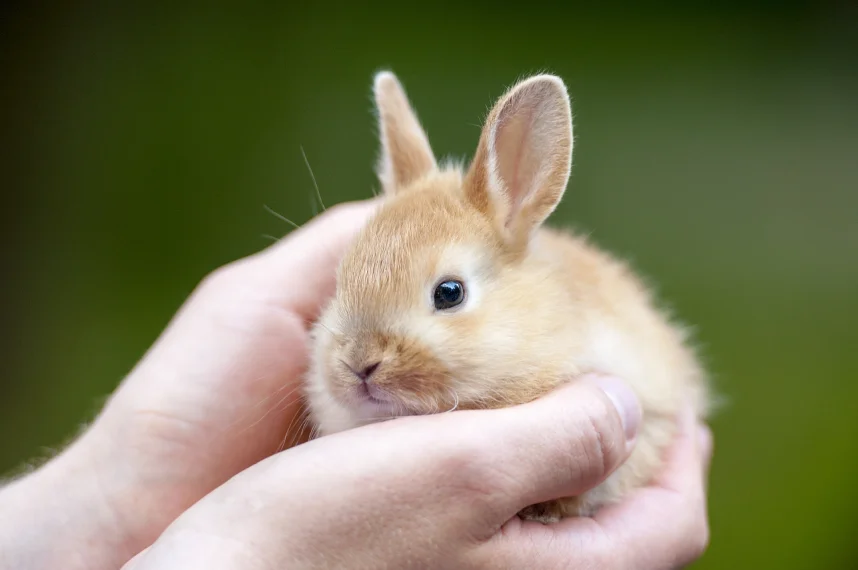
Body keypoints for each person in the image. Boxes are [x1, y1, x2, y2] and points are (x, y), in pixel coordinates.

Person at [0, 198, 712, 569]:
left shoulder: (563, 331)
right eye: (348, 301)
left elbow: (657, 400)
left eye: (446, 296)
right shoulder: (340, 366)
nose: (361, 359)